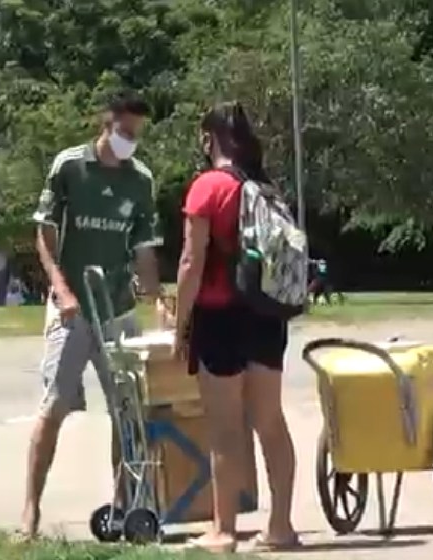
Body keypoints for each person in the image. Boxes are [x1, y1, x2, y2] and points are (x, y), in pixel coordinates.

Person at [21, 90, 166, 538]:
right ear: (106, 122)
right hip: (72, 308)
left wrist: (157, 295)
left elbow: (144, 250)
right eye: (125, 131)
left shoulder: (140, 180)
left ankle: (125, 507)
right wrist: (60, 289)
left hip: (117, 310)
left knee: (128, 412)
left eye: (137, 134)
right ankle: (30, 512)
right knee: (55, 405)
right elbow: (44, 232)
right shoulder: (70, 166)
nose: (130, 141)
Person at [172, 101, 300, 554]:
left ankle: (223, 531)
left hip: (220, 316)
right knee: (270, 421)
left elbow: (192, 261)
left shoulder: (208, 186)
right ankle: (281, 526)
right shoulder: (266, 188)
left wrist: (180, 322)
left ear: (210, 140)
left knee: (225, 428)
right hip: (266, 316)